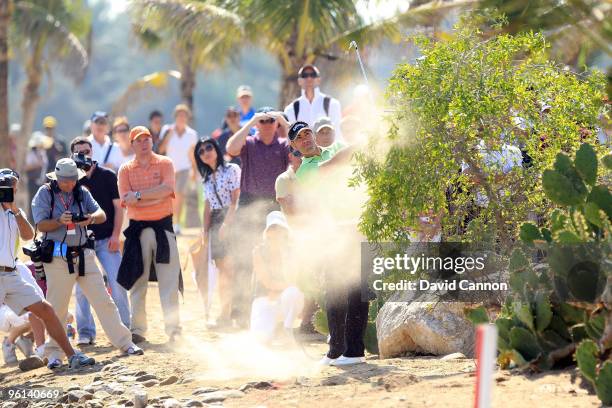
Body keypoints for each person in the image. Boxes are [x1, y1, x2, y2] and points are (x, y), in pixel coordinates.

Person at [31, 158, 143, 368]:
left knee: (104, 301)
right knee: (57, 308)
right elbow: (40, 224)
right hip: (57, 258)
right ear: (57, 179)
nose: (70, 184)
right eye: (66, 181)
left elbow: (101, 214)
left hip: (84, 255)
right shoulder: (45, 193)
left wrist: (89, 218)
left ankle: (125, 343)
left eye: (73, 180)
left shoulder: (81, 192)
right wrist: (59, 222)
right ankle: (55, 354)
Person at [1, 168, 96, 370]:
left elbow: (28, 235)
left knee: (46, 310)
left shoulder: (14, 212)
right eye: (5, 189)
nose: (9, 192)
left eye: (12, 189)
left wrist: (14, 210)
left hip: (11, 273)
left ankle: (72, 356)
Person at [225, 107, 290, 326]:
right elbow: (231, 148)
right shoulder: (250, 143)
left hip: (273, 204)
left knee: (275, 258)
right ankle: (241, 313)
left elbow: (299, 147)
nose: (267, 124)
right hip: (249, 202)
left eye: (271, 120)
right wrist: (251, 121)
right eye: (263, 121)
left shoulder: (282, 145)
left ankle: (271, 314)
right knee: (244, 258)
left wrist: (283, 120)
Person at [117, 126, 182, 343]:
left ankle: (173, 329)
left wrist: (139, 196)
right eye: (139, 140)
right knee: (138, 281)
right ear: (132, 144)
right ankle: (138, 330)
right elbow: (125, 199)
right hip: (137, 230)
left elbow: (167, 190)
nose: (144, 143)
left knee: (169, 281)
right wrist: (153, 196)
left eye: (147, 139)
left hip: (163, 227)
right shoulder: (125, 169)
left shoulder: (165, 163)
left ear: (152, 142)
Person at [69, 137, 131, 346]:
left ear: (92, 151)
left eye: (86, 151)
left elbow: (118, 207)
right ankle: (86, 332)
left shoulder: (107, 175)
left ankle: (125, 329)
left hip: (107, 238)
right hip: (81, 242)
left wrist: (116, 235)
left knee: (117, 282)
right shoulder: (71, 180)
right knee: (82, 288)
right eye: (78, 152)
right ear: (72, 155)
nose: (83, 155)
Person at [195, 138, 240, 326]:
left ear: (216, 149)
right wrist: (204, 232)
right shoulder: (206, 178)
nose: (206, 152)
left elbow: (235, 198)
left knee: (232, 269)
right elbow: (207, 207)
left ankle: (232, 312)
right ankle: (225, 313)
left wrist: (227, 224)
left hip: (232, 219)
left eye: (209, 147)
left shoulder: (232, 170)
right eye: (201, 151)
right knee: (223, 270)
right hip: (215, 222)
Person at [250, 211, 304, 344]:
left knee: (293, 293)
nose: (276, 232)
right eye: (272, 228)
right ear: (267, 232)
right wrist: (276, 287)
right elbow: (267, 282)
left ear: (285, 232)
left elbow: (294, 281)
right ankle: (273, 328)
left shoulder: (292, 251)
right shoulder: (258, 251)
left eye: (279, 229)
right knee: (262, 340)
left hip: (281, 297)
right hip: (265, 299)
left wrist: (284, 254)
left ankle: (286, 328)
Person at [157, 104, 198, 234]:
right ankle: (170, 222)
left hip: (185, 168)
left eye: (184, 115)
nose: (181, 117)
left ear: (187, 117)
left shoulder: (192, 134)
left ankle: (177, 224)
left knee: (179, 195)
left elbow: (193, 154)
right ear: (175, 117)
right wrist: (169, 135)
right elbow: (161, 149)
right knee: (170, 197)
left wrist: (194, 170)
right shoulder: (167, 130)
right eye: (179, 115)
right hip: (169, 168)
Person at [283, 64, 343, 140]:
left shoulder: (332, 104)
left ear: (319, 80)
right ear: (299, 81)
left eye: (313, 75)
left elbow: (337, 133)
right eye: (304, 75)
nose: (309, 78)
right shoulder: (291, 109)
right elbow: (291, 138)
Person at [25, 132, 52, 218]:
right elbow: (26, 167)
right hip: (33, 181)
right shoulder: (31, 153)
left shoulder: (43, 152)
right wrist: (37, 164)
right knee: (32, 200)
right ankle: (32, 219)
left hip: (41, 180)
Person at [275, 149, 302, 217]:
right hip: (293, 224)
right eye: (297, 153)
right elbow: (287, 210)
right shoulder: (283, 179)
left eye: (305, 153)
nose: (302, 157)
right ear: (290, 156)